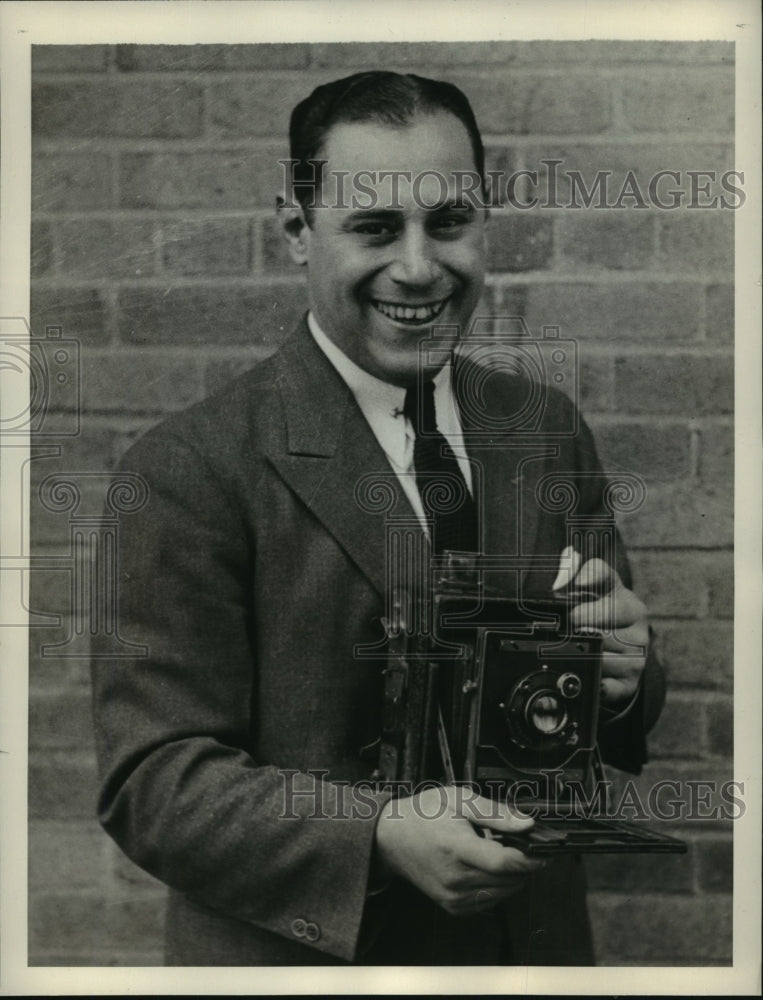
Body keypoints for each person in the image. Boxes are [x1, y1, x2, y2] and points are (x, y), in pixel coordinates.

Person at [91, 72, 665, 966]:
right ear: (295, 230)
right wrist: (378, 834)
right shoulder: (186, 469)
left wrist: (624, 676)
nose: (418, 266)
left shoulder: (545, 428)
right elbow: (153, 783)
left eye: (447, 221)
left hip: (532, 953)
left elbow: (592, 701)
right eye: (372, 227)